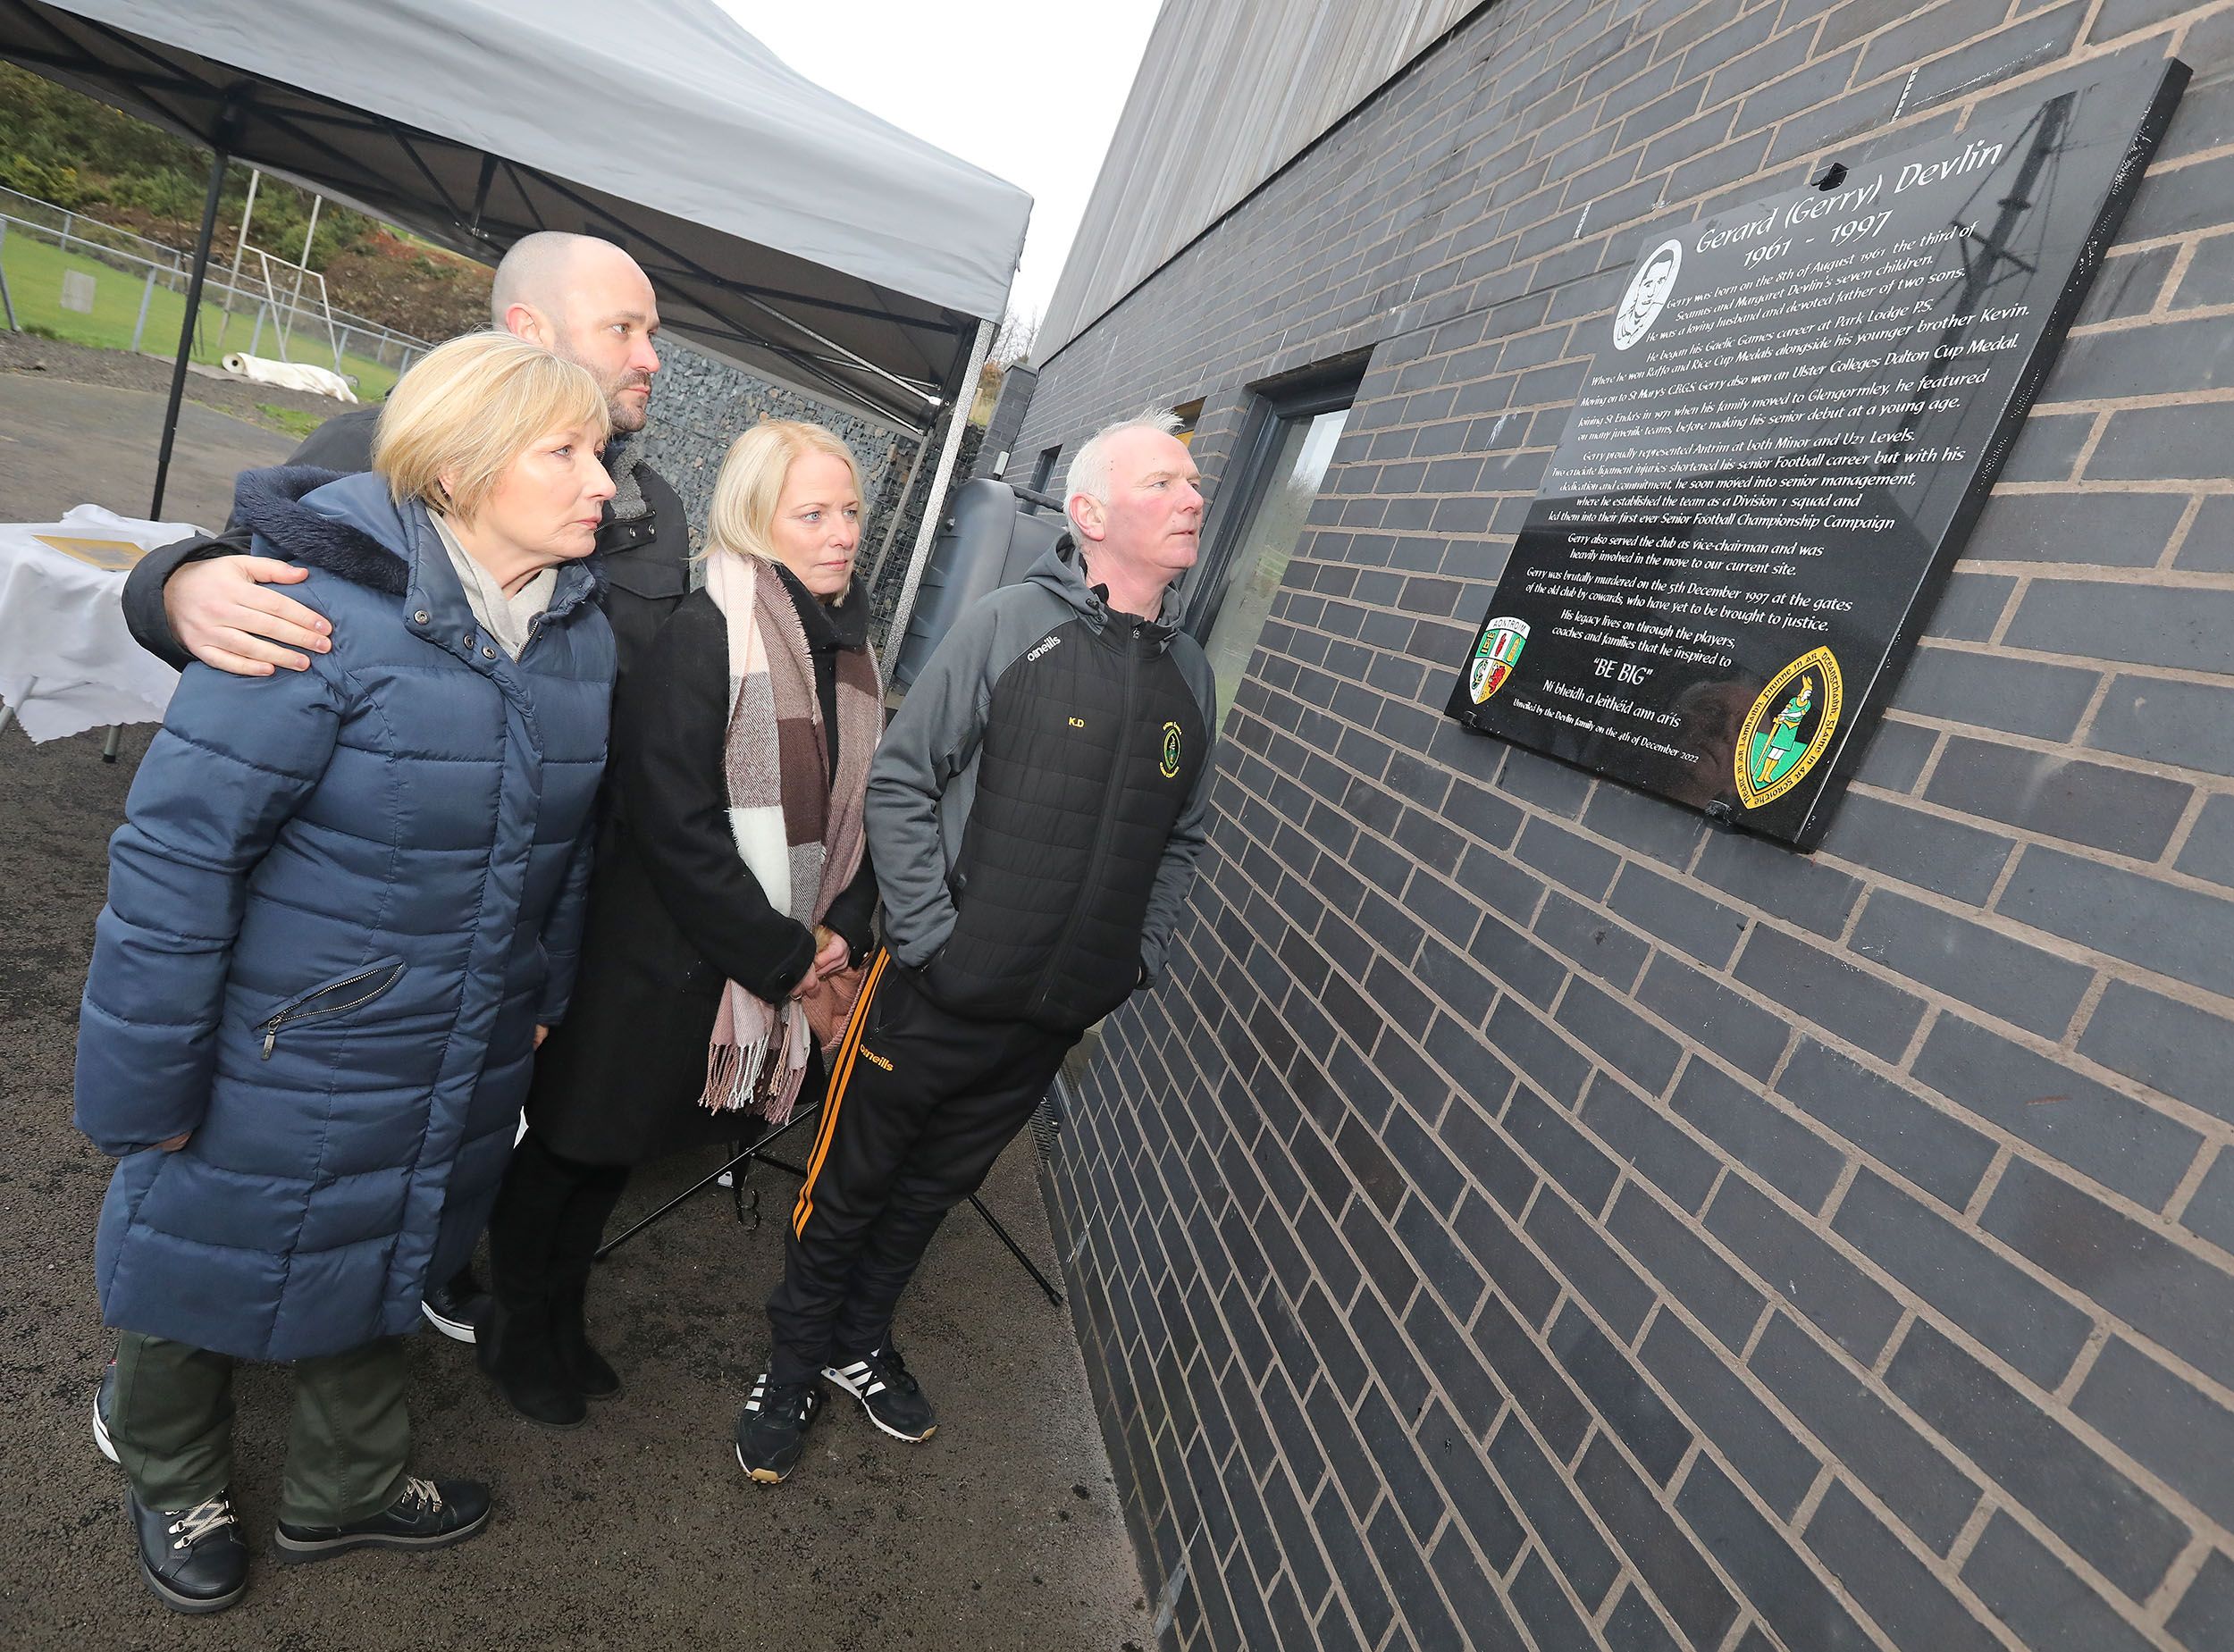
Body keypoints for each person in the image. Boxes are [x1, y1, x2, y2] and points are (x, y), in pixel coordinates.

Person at [76, 331, 617, 1614]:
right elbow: (176, 861)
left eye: (600, 450)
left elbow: (571, 845)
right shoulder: (309, 616)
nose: (604, 481)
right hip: (284, 1042)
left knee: (390, 1245)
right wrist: (146, 1079)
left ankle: (345, 1489)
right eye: (568, 451)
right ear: (466, 467)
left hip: (458, 1038)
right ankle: (171, 1469)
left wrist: (538, 999)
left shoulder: (579, 636)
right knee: (201, 1249)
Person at [117, 230, 686, 1342]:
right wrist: (173, 588)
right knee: (229, 1219)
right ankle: (161, 1423)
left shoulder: (649, 507)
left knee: (388, 1220)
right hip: (339, 983)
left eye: (652, 332)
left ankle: (363, 1408)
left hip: (489, 960)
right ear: (527, 331)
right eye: (626, 327)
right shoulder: (368, 447)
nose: (651, 355)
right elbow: (259, 600)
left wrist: (542, 984)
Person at [735, 410, 1218, 1485]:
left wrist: (1129, 961)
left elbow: (1179, 837)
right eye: (1164, 483)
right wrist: (930, 936)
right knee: (849, 1184)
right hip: (934, 996)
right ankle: (792, 1359)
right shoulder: (1010, 623)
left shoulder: (1189, 670)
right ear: (1089, 514)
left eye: (1193, 484)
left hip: (1048, 1019)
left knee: (929, 1194)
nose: (1194, 499)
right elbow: (903, 778)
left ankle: (859, 1342)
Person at [475, 420, 884, 1430]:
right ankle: (514, 1324)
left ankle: (558, 1316)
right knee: (572, 1144)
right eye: (813, 513)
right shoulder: (709, 631)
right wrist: (789, 954)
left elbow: (854, 811)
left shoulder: (849, 648)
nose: (841, 535)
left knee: (611, 1154)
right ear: (757, 517)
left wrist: (844, 926)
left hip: (724, 963)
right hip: (649, 954)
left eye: (850, 512)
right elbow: (674, 819)